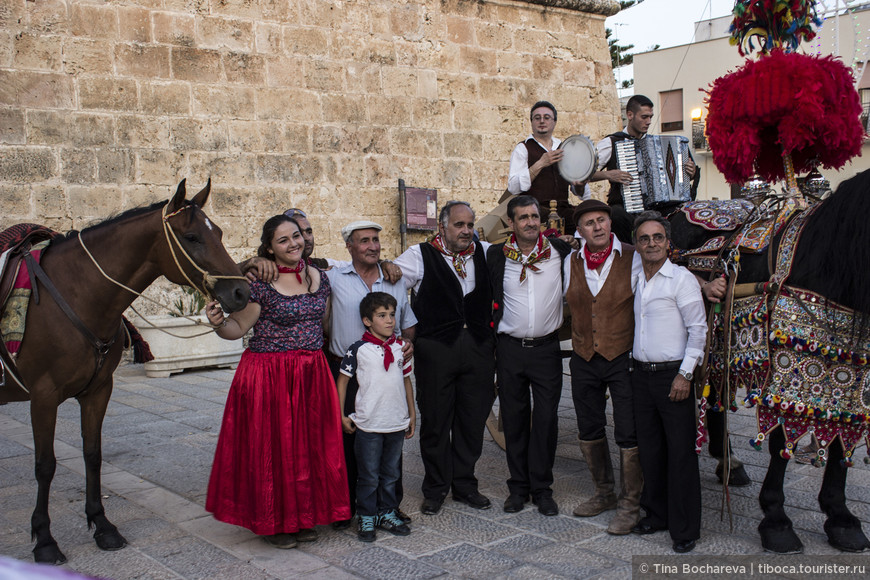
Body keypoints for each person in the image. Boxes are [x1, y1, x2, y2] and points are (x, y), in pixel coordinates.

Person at [204, 214, 350, 549]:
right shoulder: (260, 283)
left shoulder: (320, 278)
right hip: (270, 376)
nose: (293, 244)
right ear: (269, 248)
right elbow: (236, 329)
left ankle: (302, 516)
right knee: (276, 451)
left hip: (312, 373)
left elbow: (324, 326)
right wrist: (217, 323)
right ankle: (275, 523)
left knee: (308, 450)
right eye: (283, 240)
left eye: (296, 236)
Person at [394, 201, 495, 515]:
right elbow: (392, 284)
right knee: (436, 421)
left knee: (472, 419)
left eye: (470, 225)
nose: (466, 231)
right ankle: (436, 488)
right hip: (437, 350)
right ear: (442, 227)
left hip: (478, 347)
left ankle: (464, 485)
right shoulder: (418, 256)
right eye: (459, 225)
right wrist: (404, 331)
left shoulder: (487, 252)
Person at [326, 220, 417, 529]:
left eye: (376, 240)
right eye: (364, 241)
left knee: (389, 441)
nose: (373, 246)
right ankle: (351, 508)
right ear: (349, 246)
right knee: (350, 442)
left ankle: (388, 508)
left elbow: (408, 323)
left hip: (387, 373)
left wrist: (409, 343)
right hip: (348, 371)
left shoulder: (394, 280)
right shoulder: (334, 278)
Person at [487, 195, 572, 516]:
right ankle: (518, 487)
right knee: (515, 419)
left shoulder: (560, 253)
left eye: (534, 216)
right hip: (510, 349)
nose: (530, 222)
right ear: (511, 223)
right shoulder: (496, 256)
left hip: (546, 349)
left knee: (547, 420)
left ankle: (542, 488)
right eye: (523, 217)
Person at [565, 199, 645, 535]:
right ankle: (603, 492)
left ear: (610, 224)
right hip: (583, 357)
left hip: (621, 355)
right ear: (580, 231)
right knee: (588, 427)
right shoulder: (570, 261)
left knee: (628, 430)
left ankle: (630, 504)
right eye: (589, 223)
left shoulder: (634, 257)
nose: (597, 227)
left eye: (602, 220)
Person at [630, 211, 707, 554]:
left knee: (680, 454)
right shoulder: (635, 277)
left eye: (657, 237)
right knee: (651, 450)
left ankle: (685, 527)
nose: (651, 244)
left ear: (667, 242)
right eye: (644, 238)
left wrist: (685, 374)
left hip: (672, 376)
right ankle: (656, 514)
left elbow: (698, 331)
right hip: (640, 375)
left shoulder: (682, 280)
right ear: (637, 244)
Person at [336, 292, 416, 542]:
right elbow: (342, 382)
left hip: (395, 421)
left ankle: (387, 512)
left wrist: (412, 415)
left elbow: (406, 381)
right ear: (367, 321)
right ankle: (367, 515)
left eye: (392, 315)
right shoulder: (358, 350)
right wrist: (340, 414)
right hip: (368, 424)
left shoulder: (400, 348)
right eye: (382, 315)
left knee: (390, 473)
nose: (390, 320)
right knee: (369, 474)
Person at [590, 95, 697, 242]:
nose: (648, 122)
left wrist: (690, 173)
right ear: (630, 115)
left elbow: (679, 179)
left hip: (658, 208)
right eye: (644, 117)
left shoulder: (656, 143)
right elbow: (584, 175)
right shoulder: (611, 142)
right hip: (626, 209)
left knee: (684, 214)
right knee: (616, 214)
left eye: (651, 117)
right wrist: (608, 175)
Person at [508, 101, 588, 233]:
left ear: (554, 122)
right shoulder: (523, 148)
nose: (542, 121)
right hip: (534, 212)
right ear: (532, 122)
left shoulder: (564, 148)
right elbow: (513, 187)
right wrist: (540, 163)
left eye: (546, 117)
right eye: (537, 118)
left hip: (563, 210)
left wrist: (580, 185)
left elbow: (580, 192)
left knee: (585, 223)